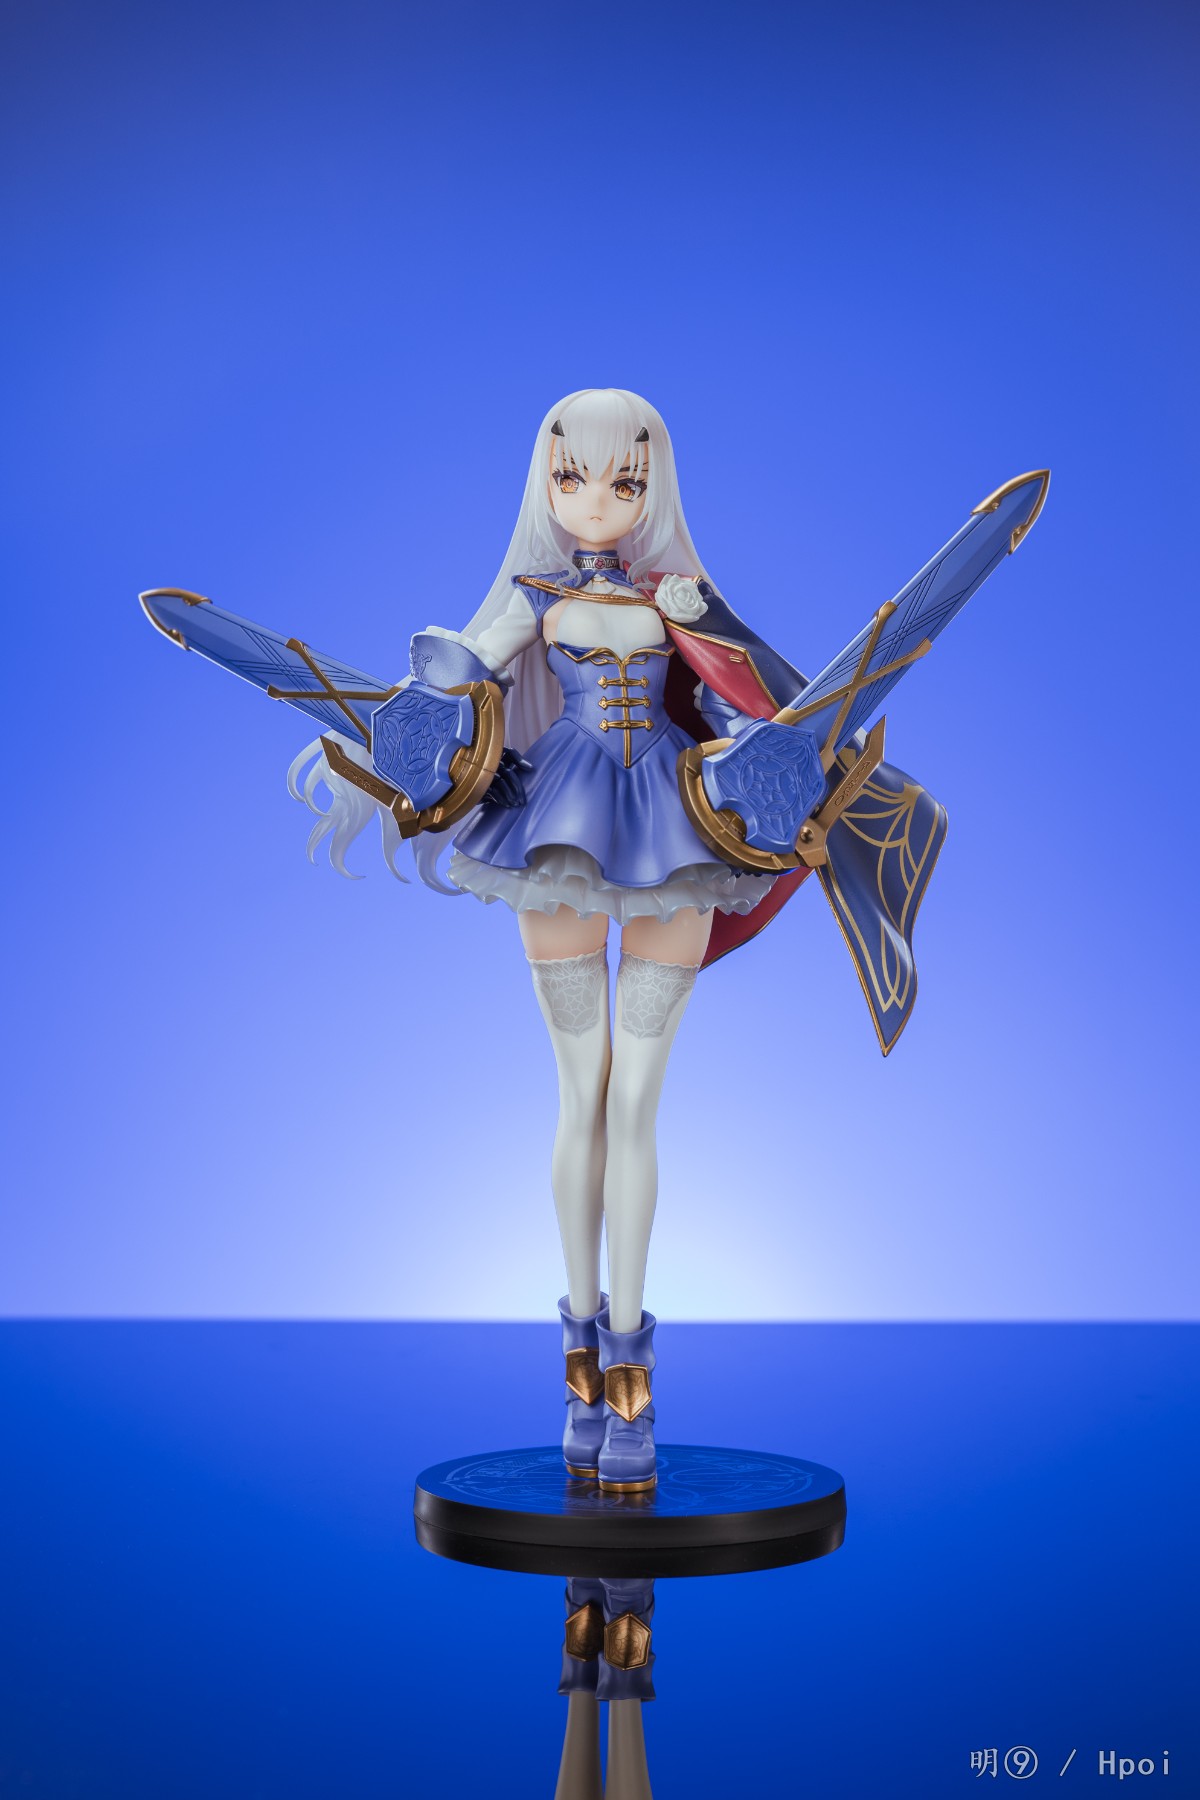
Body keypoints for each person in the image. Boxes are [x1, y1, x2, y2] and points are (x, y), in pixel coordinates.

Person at [289, 386, 933, 1492]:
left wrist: (773, 782)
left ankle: (630, 1370)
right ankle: (579, 1364)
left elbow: (746, 708)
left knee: (635, 1105)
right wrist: (414, 732)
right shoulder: (531, 598)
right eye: (571, 476)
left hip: (678, 835)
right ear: (544, 485)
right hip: (557, 834)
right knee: (577, 1098)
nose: (595, 500)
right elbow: (451, 689)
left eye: (624, 480)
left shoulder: (684, 599)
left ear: (653, 488)